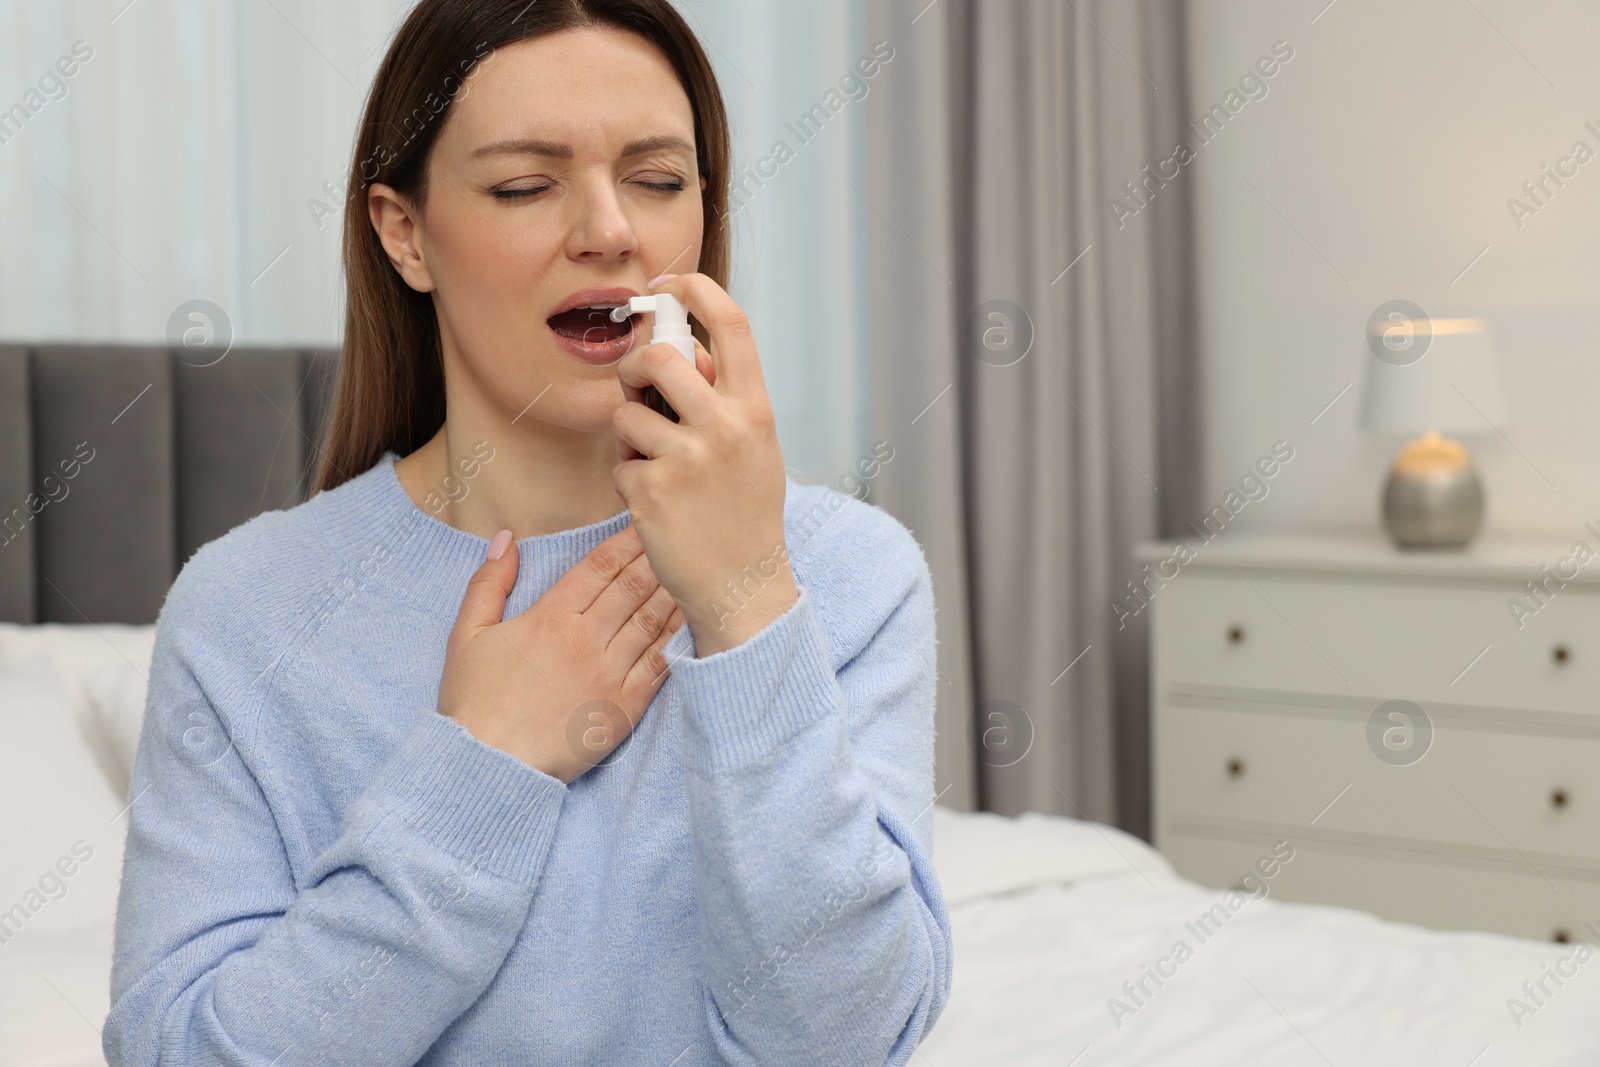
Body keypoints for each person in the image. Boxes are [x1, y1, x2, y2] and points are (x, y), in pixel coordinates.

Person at [103, 1, 950, 1063]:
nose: (609, 230)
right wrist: (487, 763)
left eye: (657, 179)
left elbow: (841, 1038)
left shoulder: (848, 575)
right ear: (403, 233)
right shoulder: (244, 609)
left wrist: (745, 603)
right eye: (524, 185)